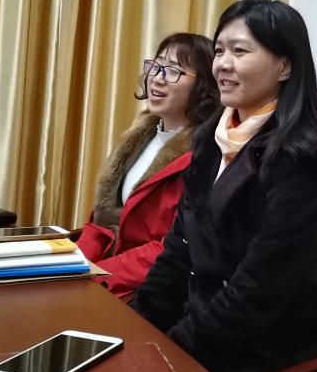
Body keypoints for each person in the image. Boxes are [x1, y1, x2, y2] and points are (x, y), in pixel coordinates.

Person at [131, 0, 317, 372]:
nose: (223, 64)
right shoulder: (211, 141)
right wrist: (137, 326)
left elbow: (257, 293)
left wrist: (170, 352)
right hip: (199, 328)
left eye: (240, 51)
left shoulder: (304, 159)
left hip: (257, 356)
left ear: (284, 67)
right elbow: (178, 251)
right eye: (219, 50)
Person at [77, 32, 218, 298]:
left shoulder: (204, 155)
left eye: (174, 71)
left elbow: (171, 247)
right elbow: (102, 223)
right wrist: (74, 266)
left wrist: (98, 276)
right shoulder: (139, 136)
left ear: (203, 86)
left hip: (151, 289)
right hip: (106, 273)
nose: (157, 78)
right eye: (156, 65)